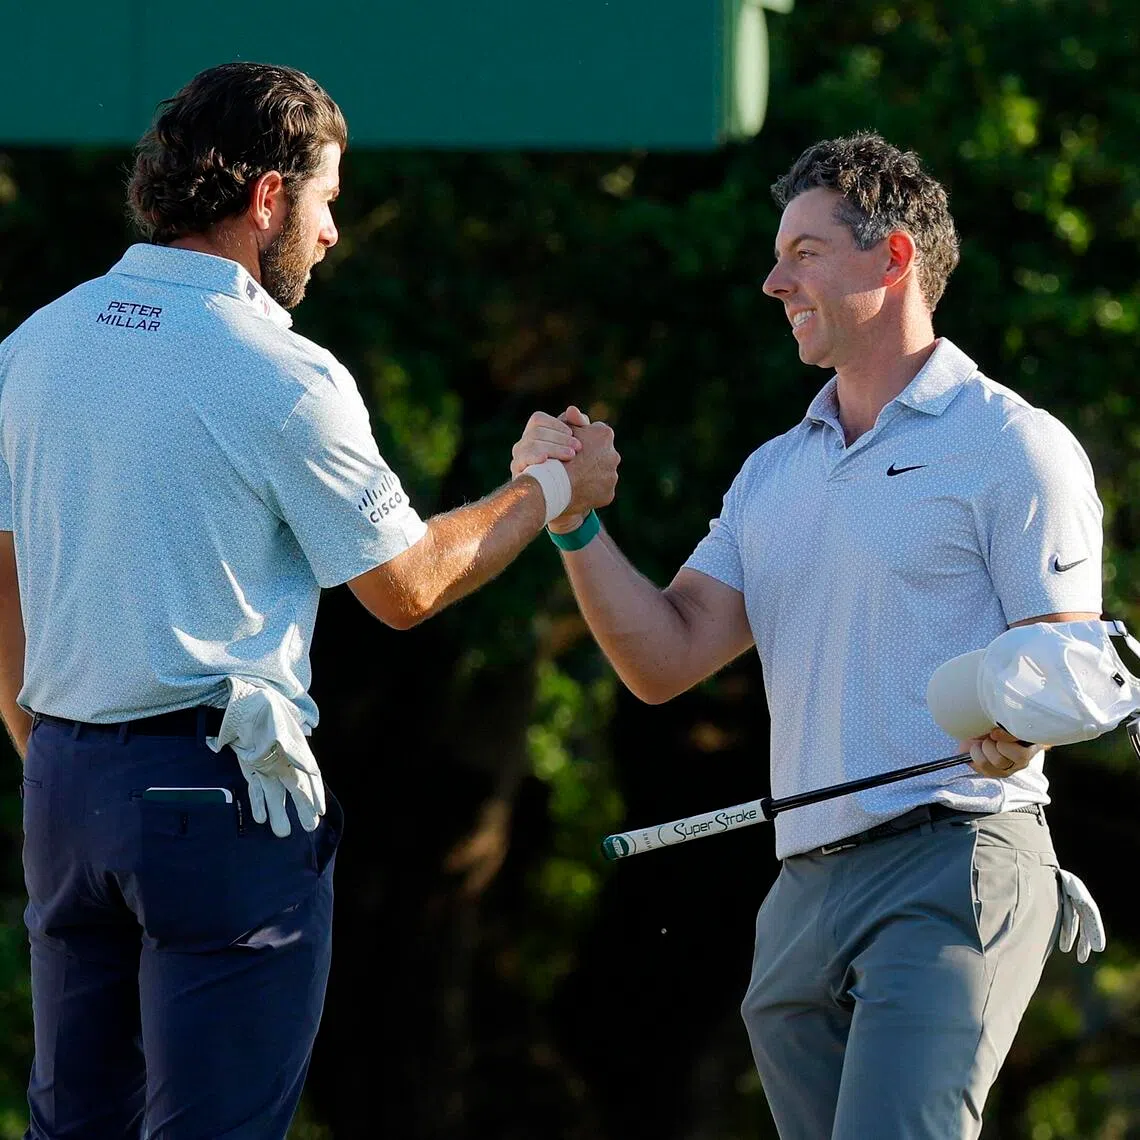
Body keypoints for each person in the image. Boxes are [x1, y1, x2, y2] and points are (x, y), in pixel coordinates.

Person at [0, 62, 618, 1140]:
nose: (332, 232)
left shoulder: (35, 345)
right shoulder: (282, 373)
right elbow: (410, 588)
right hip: (212, 791)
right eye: (327, 199)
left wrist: (48, 747)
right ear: (267, 196)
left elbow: (2, 570)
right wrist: (549, 486)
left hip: (60, 784)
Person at [513, 133, 1105, 1138]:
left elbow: (1064, 655)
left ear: (894, 258)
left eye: (805, 252)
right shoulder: (773, 474)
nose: (772, 279)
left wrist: (1022, 720)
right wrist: (569, 516)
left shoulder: (1012, 444)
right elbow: (664, 658)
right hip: (801, 891)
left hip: (952, 857)